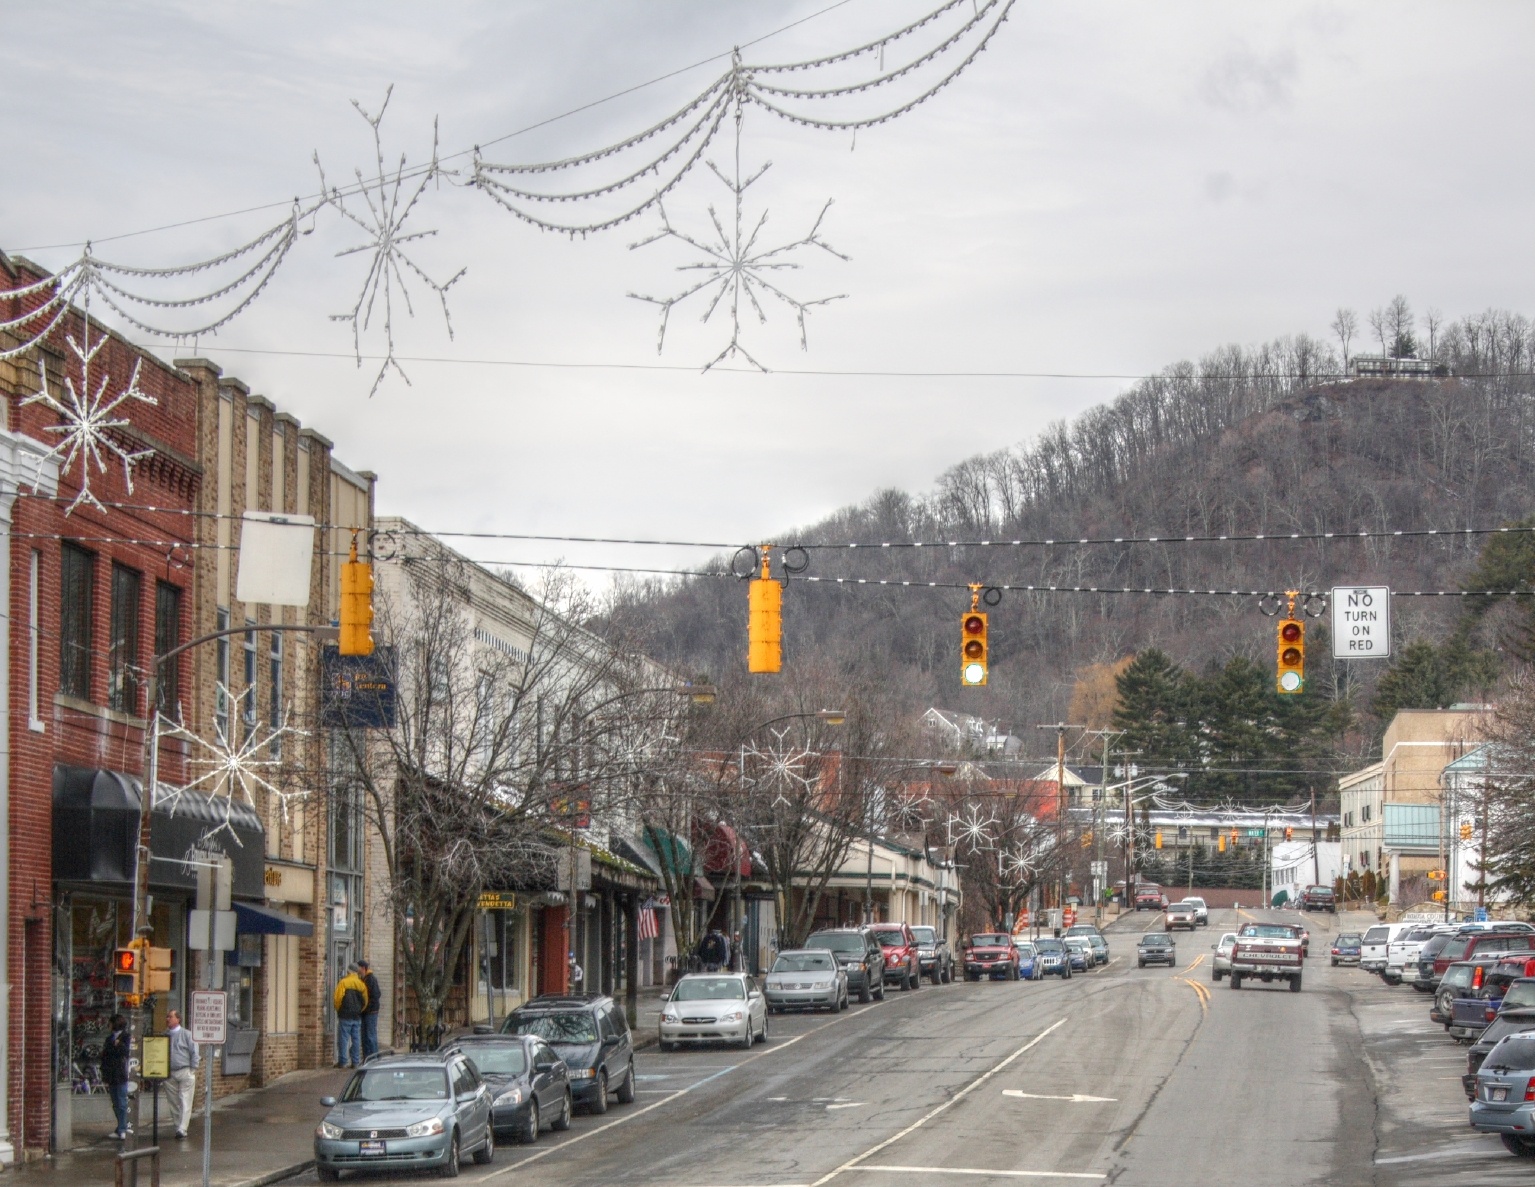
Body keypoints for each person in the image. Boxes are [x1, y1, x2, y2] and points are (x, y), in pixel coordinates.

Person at [165, 1009, 199, 1140]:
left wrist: (193, 1069)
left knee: (185, 1099)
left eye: (170, 1016)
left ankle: (182, 1128)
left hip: (184, 1070)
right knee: (173, 1102)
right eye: (167, 1017)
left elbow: (194, 1052)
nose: (168, 1019)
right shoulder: (165, 1035)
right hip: (170, 1072)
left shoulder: (187, 1034)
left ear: (178, 1019)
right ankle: (177, 1125)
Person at [100, 1014, 132, 1140]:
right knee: (115, 1102)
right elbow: (106, 1055)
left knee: (122, 1101)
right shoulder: (109, 1039)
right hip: (111, 1073)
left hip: (121, 1073)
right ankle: (119, 1127)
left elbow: (126, 1052)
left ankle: (123, 1128)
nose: (108, 1025)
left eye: (110, 1023)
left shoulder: (126, 1037)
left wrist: (118, 1044)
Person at [333, 963, 369, 1068]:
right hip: (356, 1016)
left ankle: (343, 1061)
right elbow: (365, 1001)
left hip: (345, 1015)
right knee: (356, 1039)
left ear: (348, 971)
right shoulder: (361, 984)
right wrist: (359, 1010)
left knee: (343, 1039)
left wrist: (339, 1009)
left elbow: (337, 999)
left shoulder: (343, 982)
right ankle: (355, 1061)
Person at [358, 959, 382, 1061]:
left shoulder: (370, 979)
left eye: (359, 968)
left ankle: (374, 1057)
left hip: (370, 1012)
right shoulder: (365, 979)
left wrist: (367, 1006)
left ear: (363, 968)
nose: (357, 971)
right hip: (367, 1011)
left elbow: (376, 995)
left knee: (370, 1035)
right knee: (366, 1036)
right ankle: (368, 1057)